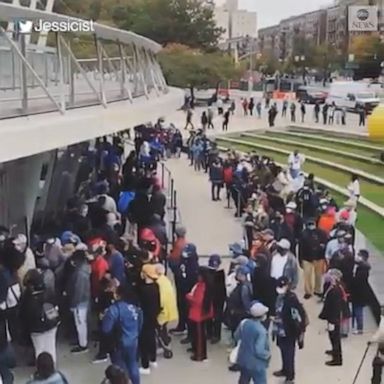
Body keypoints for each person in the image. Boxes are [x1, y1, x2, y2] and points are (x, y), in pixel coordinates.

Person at [102, 285, 142, 384]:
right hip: (133, 341)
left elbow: (106, 329)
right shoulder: (135, 308)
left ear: (118, 295)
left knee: (120, 368)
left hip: (119, 343)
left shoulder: (113, 310)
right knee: (133, 364)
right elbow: (140, 324)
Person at [273, 277, 308, 384]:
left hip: (289, 331)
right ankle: (284, 369)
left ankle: (290, 376)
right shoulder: (279, 297)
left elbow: (296, 316)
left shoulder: (291, 299)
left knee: (289, 353)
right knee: (283, 350)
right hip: (279, 329)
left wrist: (299, 331)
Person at [19, 270, 60, 364]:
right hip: (51, 323)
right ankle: (51, 367)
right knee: (51, 347)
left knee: (39, 350)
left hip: (36, 328)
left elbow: (23, 315)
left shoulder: (27, 297)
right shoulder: (48, 291)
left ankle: (42, 370)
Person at [234, 301, 271, 384]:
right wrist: (267, 355)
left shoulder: (244, 323)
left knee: (243, 381)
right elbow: (259, 350)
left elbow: (236, 336)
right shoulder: (261, 330)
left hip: (243, 359)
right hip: (256, 364)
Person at [65, 250, 91, 354]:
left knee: (80, 324)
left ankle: (83, 345)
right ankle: (81, 341)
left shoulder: (80, 273)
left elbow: (78, 290)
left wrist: (73, 304)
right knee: (81, 323)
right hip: (84, 301)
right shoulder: (85, 269)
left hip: (79, 303)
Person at [186, 267, 214, 362]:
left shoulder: (203, 287)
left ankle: (200, 355)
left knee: (199, 336)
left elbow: (198, 301)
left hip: (199, 314)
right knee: (196, 334)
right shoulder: (202, 285)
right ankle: (195, 349)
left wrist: (188, 297)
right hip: (197, 313)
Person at [138, 264, 161, 374]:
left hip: (144, 319)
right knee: (152, 339)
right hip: (153, 317)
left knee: (143, 342)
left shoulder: (142, 290)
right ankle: (153, 360)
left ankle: (145, 366)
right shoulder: (156, 286)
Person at [319, 269, 344, 366]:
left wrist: (332, 321)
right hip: (332, 318)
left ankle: (337, 359)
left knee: (335, 337)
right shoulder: (333, 288)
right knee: (332, 336)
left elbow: (335, 307)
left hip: (333, 319)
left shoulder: (335, 291)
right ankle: (334, 351)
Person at [299, 220, 328, 299]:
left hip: (319, 257)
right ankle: (308, 291)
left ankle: (317, 290)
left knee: (318, 275)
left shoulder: (322, 233)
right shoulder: (303, 234)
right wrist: (300, 260)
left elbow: (325, 243)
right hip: (306, 258)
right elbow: (300, 248)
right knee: (307, 275)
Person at [206, 255, 226, 344]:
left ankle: (216, 335)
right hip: (212, 298)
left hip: (217, 299)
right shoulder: (213, 274)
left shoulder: (219, 275)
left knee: (217, 317)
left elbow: (221, 290)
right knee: (210, 317)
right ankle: (210, 333)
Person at [350, 249, 371, 335]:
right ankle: (356, 326)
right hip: (359, 293)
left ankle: (359, 328)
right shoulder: (362, 267)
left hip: (359, 293)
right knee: (356, 309)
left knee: (358, 310)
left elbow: (357, 282)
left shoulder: (362, 270)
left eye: (359, 255)